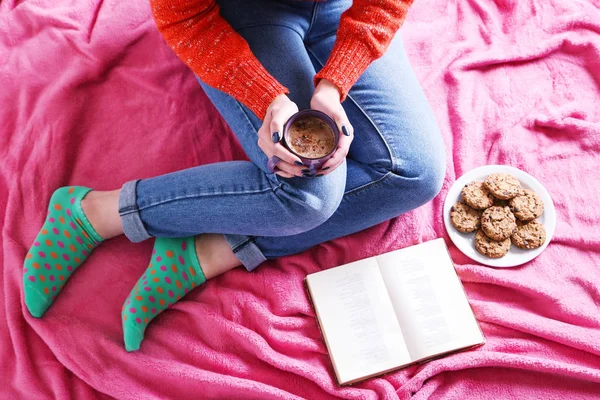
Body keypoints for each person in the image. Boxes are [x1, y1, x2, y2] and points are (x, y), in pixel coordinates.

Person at [22, 0, 445, 351]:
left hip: (342, 9)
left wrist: (336, 84)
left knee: (416, 174)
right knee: (307, 198)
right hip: (243, 17)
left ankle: (212, 250)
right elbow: (185, 18)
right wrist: (267, 98)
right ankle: (95, 212)